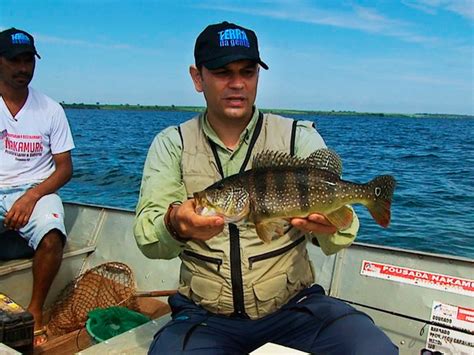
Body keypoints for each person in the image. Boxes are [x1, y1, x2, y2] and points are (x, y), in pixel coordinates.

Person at [134, 21, 397, 354]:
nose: (237, 84)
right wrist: (176, 224)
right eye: (221, 72)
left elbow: (344, 230)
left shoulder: (298, 137)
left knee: (373, 349)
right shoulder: (172, 143)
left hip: (295, 308)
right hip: (204, 317)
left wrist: (332, 226)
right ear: (197, 77)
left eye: (248, 71)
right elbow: (147, 235)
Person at [0, 28, 74, 346]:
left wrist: (31, 197)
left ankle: (35, 311)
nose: (22, 68)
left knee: (53, 233)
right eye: (14, 60)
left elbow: (65, 168)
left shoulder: (51, 110)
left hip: (35, 189)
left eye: (28, 60)